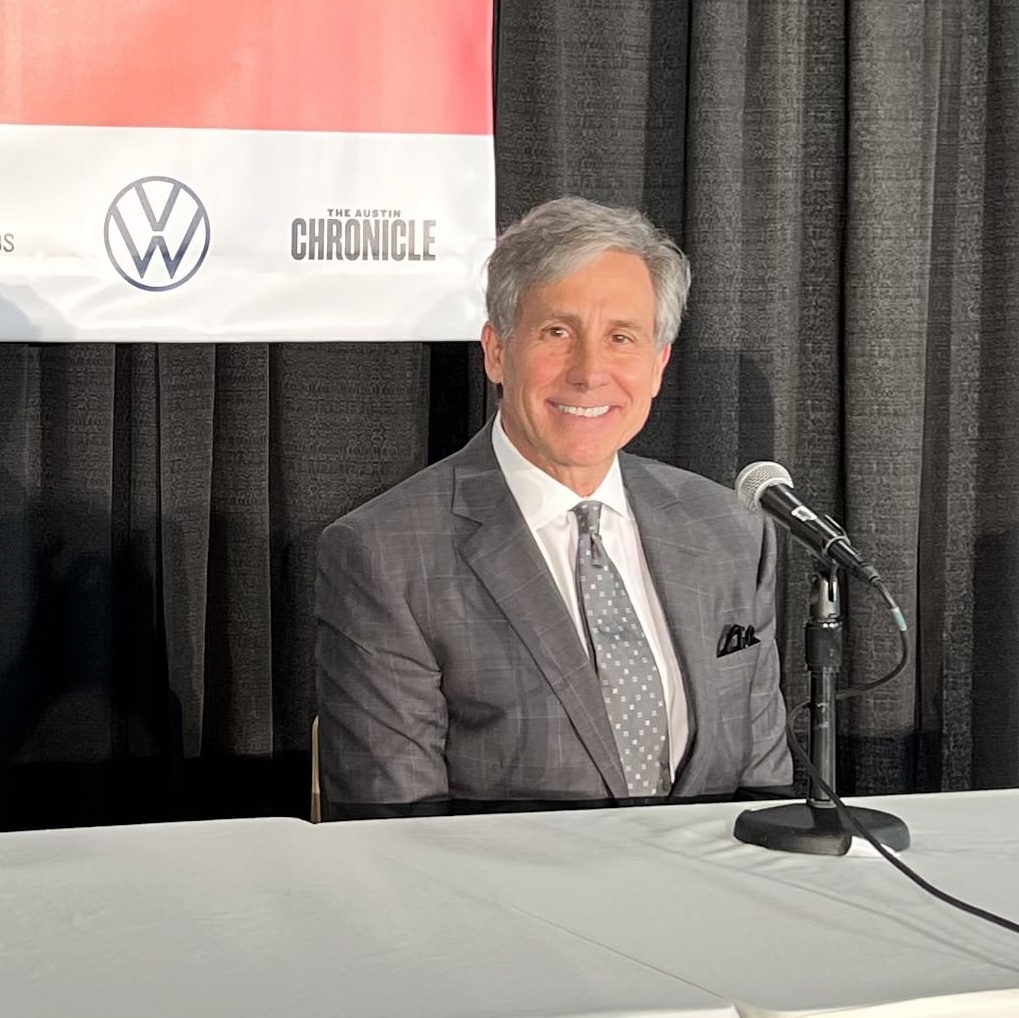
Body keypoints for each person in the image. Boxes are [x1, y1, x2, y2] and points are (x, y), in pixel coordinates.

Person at [314, 197, 793, 814]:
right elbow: (396, 834)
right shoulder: (384, 555)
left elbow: (767, 789)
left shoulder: (729, 530)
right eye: (557, 333)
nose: (591, 372)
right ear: (495, 350)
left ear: (657, 365)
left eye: (622, 338)